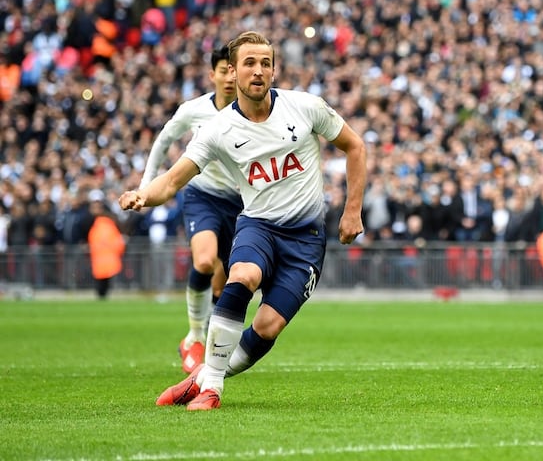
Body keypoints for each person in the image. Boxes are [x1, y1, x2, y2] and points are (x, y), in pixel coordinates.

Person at [119, 30, 367, 410]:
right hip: (258, 225)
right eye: (249, 63)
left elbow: (355, 146)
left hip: (306, 240)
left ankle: (200, 378)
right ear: (232, 72)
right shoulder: (216, 130)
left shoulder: (305, 107)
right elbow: (172, 181)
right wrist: (142, 194)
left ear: (274, 70)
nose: (258, 70)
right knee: (242, 276)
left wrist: (352, 210)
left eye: (265, 63)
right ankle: (212, 389)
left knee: (268, 327)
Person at [138, 45, 241, 374]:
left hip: (241, 204)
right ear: (213, 75)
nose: (229, 77)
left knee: (225, 285)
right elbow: (164, 140)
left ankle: (206, 340)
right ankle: (194, 336)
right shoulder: (193, 110)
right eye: (223, 70)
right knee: (204, 260)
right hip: (202, 195)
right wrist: (146, 184)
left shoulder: (254, 112)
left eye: (233, 70)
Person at [87, 200, 125, 300]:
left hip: (100, 258)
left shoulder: (98, 226)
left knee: (101, 281)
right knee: (106, 280)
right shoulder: (108, 225)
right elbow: (118, 242)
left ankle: (101, 295)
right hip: (109, 258)